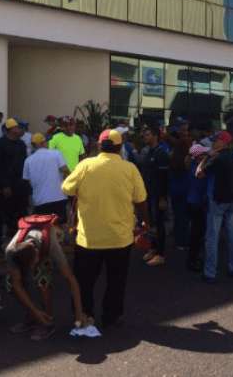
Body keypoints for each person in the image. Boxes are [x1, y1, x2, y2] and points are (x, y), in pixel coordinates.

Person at [62, 129, 150, 327]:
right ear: (120, 148)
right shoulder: (130, 169)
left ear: (99, 146)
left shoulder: (85, 165)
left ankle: (85, 315)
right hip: (120, 238)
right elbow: (142, 201)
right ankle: (112, 315)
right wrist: (147, 223)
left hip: (88, 238)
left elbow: (67, 188)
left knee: (85, 281)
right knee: (116, 280)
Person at [5, 215, 88, 341]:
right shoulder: (11, 251)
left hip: (52, 234)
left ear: (37, 253)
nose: (31, 269)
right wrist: (35, 312)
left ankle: (47, 322)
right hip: (31, 247)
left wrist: (78, 312)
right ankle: (33, 317)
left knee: (41, 275)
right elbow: (16, 285)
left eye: (33, 265)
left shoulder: (51, 246)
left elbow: (70, 278)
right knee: (10, 281)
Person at [195, 130, 233, 283]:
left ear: (222, 142)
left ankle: (210, 273)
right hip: (232, 200)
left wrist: (207, 156)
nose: (213, 143)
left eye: (215, 140)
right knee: (232, 236)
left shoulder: (216, 158)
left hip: (217, 200)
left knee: (212, 237)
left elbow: (199, 173)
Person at [0, 118, 29, 255]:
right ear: (11, 128)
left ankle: (17, 242)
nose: (23, 130)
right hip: (4, 186)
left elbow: (24, 165)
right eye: (20, 127)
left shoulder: (22, 145)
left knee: (18, 215)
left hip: (19, 185)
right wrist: (4, 185)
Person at [140, 127, 170, 266]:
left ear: (155, 136)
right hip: (148, 195)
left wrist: (163, 198)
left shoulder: (162, 155)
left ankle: (161, 254)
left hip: (158, 196)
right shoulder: (148, 153)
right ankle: (152, 249)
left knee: (159, 225)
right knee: (150, 224)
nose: (144, 137)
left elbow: (165, 178)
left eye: (147, 134)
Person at [22, 134, 70, 222]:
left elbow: (27, 181)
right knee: (58, 227)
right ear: (42, 143)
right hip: (59, 198)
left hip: (40, 201)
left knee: (43, 228)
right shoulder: (56, 153)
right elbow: (66, 172)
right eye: (46, 141)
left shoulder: (28, 160)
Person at [185, 144, 210, 272]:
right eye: (204, 154)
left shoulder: (192, 167)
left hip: (192, 202)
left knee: (196, 233)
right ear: (199, 156)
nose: (206, 155)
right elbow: (201, 187)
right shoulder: (197, 170)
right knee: (197, 234)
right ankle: (192, 260)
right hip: (197, 204)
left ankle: (193, 258)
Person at [168, 135, 191, 250]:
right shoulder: (188, 160)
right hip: (186, 191)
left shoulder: (172, 159)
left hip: (174, 191)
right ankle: (184, 241)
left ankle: (178, 242)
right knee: (185, 217)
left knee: (177, 216)